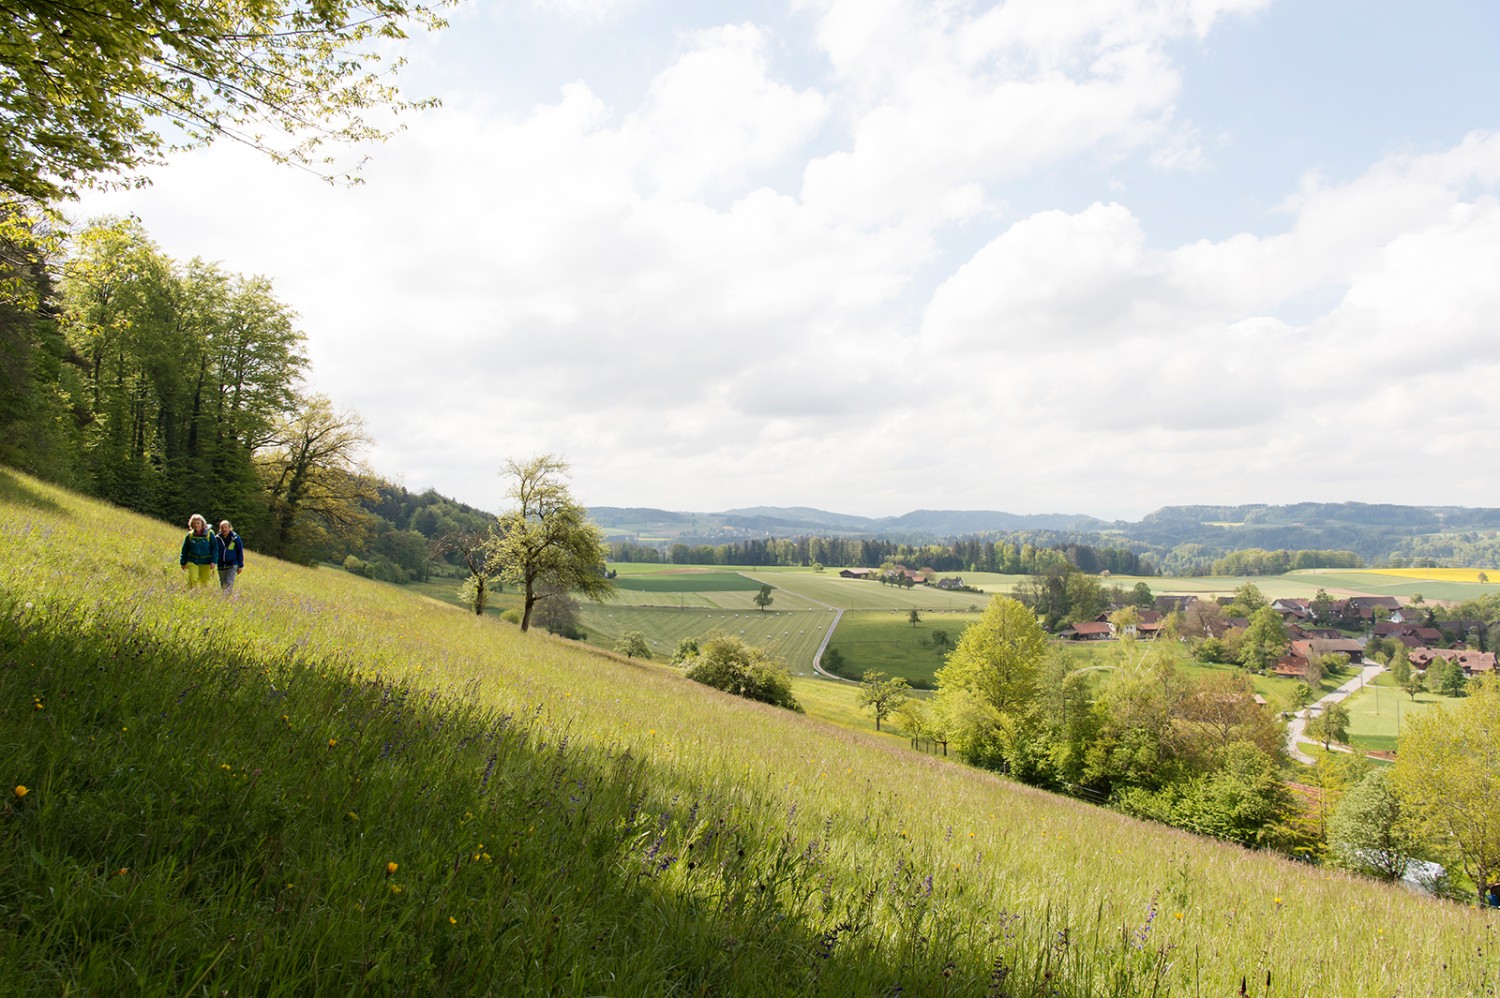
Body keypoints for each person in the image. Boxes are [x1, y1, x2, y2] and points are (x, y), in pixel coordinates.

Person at [179, 514, 216, 588]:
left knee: (204, 581)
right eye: (194, 523)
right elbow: (184, 549)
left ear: (202, 523)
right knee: (193, 579)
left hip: (206, 562)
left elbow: (215, 548)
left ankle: (202, 596)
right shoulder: (190, 535)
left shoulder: (209, 534)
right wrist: (183, 562)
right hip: (192, 561)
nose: (196, 525)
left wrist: (213, 561)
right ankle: (191, 595)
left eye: (198, 523)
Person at [214, 520, 245, 591]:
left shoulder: (235, 538)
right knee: (223, 584)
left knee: (229, 582)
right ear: (220, 529)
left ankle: (224, 598)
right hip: (221, 564)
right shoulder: (217, 538)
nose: (224, 529)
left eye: (226, 527)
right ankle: (225, 599)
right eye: (222, 528)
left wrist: (240, 565)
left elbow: (240, 551)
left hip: (233, 564)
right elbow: (214, 551)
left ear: (229, 528)